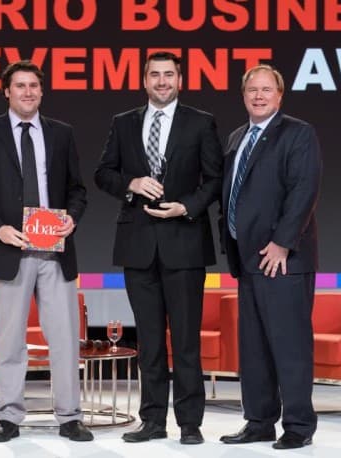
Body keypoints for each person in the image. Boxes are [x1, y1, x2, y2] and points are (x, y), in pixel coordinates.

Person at [0, 60, 92, 443]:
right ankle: (8, 417)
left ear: (42, 90)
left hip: (55, 252)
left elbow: (76, 190)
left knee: (65, 338)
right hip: (9, 251)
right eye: (20, 86)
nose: (28, 92)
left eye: (34, 85)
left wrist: (73, 219)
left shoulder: (61, 134)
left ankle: (70, 417)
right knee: (10, 338)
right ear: (7, 91)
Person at [94, 51, 223, 445]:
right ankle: (151, 420)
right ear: (144, 81)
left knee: (185, 339)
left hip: (184, 243)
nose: (162, 81)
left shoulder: (201, 123)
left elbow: (216, 179)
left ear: (180, 81)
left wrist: (188, 206)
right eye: (155, 75)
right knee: (149, 340)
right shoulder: (123, 123)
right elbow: (103, 173)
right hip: (138, 246)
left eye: (169, 75)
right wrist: (130, 184)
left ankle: (189, 423)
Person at [219, 65, 322, 450]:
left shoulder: (298, 133)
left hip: (283, 259)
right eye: (252, 90)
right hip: (248, 259)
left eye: (266, 90)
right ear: (243, 95)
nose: (259, 96)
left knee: (289, 345)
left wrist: (282, 242)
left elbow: (303, 191)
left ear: (280, 95)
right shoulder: (236, 137)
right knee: (256, 347)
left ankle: (297, 426)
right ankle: (259, 421)